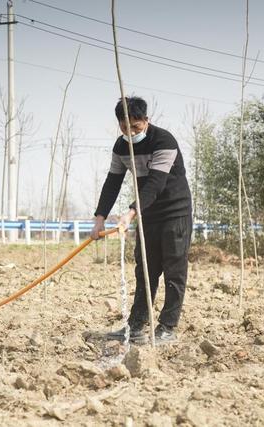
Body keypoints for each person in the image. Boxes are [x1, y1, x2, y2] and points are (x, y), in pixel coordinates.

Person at [91, 96, 192, 344]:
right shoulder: (121, 146)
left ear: (146, 120)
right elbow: (112, 182)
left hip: (174, 212)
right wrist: (99, 217)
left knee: (173, 271)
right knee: (145, 269)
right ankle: (135, 326)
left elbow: (155, 184)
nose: (130, 132)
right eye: (125, 128)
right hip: (148, 215)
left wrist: (131, 212)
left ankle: (167, 326)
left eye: (135, 127)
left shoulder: (164, 141)